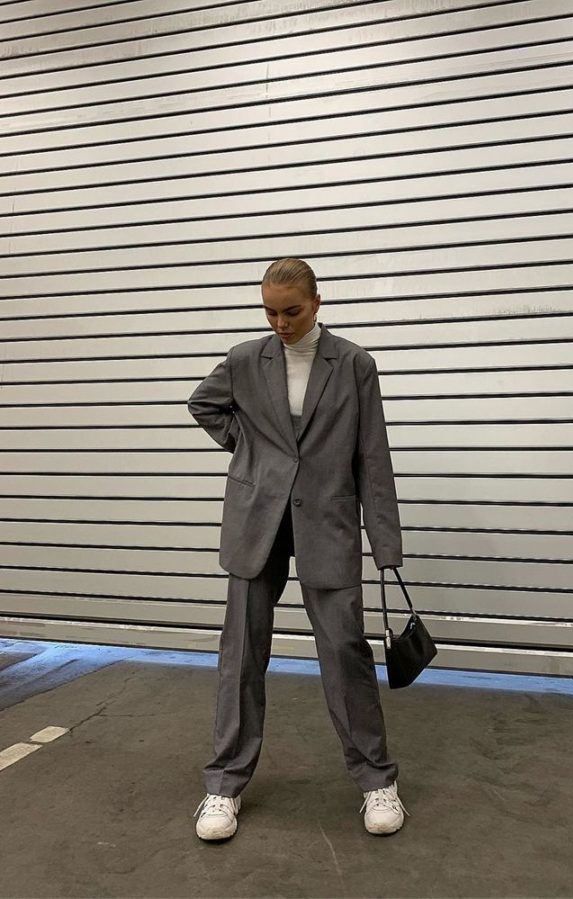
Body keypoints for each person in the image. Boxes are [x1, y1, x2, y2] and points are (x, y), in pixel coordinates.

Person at [188, 258, 408, 841]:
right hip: (256, 523)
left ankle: (376, 779)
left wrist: (385, 544)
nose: (281, 324)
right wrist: (252, 454)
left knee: (345, 652)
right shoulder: (244, 360)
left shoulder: (354, 364)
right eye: (270, 312)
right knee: (241, 655)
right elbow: (203, 404)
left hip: (327, 522)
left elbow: (373, 456)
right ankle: (223, 784)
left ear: (316, 303)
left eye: (292, 311)